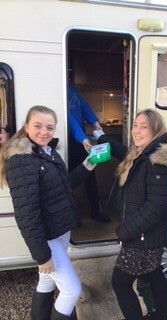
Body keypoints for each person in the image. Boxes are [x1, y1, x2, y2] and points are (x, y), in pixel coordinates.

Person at [0, 105, 96, 320]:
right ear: (26, 127)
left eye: (50, 127)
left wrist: (88, 165)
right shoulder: (21, 160)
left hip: (60, 230)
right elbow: (26, 213)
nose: (44, 132)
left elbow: (65, 184)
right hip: (48, 237)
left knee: (47, 280)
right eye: (38, 126)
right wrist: (42, 255)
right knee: (71, 290)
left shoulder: (48, 152)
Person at [93, 108, 167, 320]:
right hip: (150, 234)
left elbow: (156, 206)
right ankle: (161, 315)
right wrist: (101, 137)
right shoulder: (143, 154)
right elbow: (122, 151)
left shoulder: (157, 163)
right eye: (135, 125)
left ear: (155, 131)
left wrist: (124, 231)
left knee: (120, 283)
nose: (136, 130)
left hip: (143, 237)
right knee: (154, 274)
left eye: (143, 127)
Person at [67, 82, 111, 223]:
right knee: (68, 180)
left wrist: (95, 122)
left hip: (81, 141)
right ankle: (70, 215)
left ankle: (96, 211)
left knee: (90, 176)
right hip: (69, 142)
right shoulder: (57, 86)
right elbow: (69, 120)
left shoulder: (71, 87)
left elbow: (83, 106)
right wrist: (82, 138)